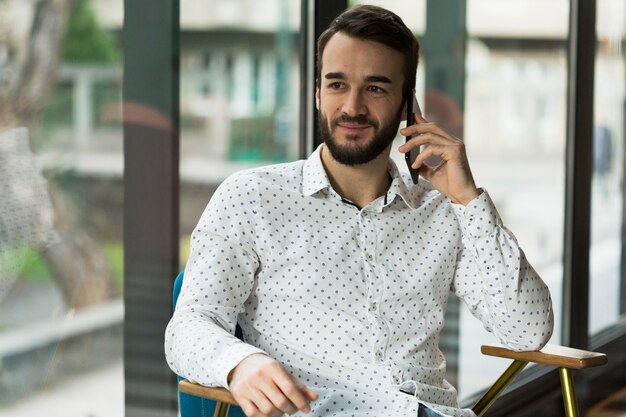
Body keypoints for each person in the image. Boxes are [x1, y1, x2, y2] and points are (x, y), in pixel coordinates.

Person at [165, 5, 553, 417]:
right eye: (336, 84)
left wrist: (469, 201)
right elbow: (188, 327)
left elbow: (528, 332)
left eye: (375, 88)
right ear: (317, 93)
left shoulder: (443, 212)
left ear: (408, 105)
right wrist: (240, 364)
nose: (352, 106)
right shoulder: (251, 198)